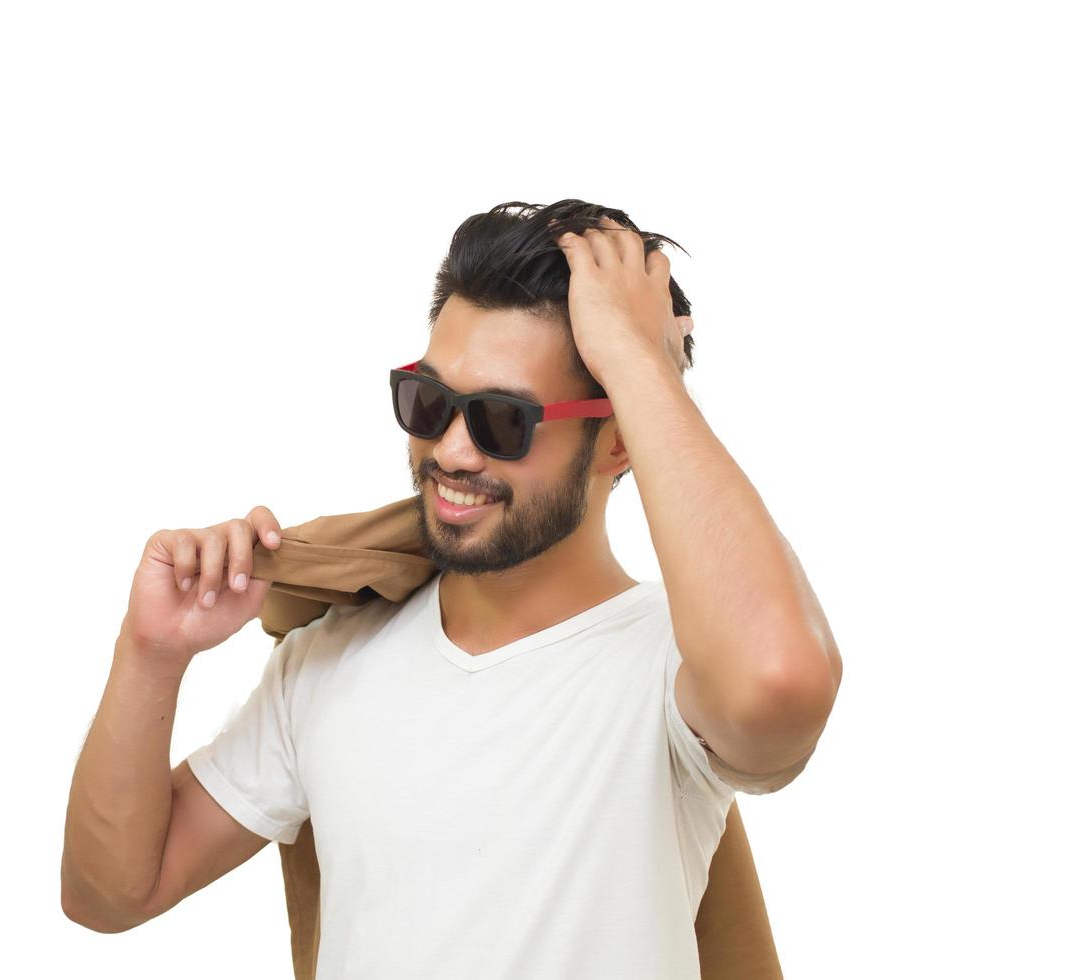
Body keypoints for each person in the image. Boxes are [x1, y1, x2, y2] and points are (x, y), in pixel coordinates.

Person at [60, 199, 843, 978]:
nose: (452, 451)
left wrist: (638, 360)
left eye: (505, 420)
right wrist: (151, 656)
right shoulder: (330, 658)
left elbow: (780, 683)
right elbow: (109, 895)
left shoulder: (673, 675)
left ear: (616, 442)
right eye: (429, 403)